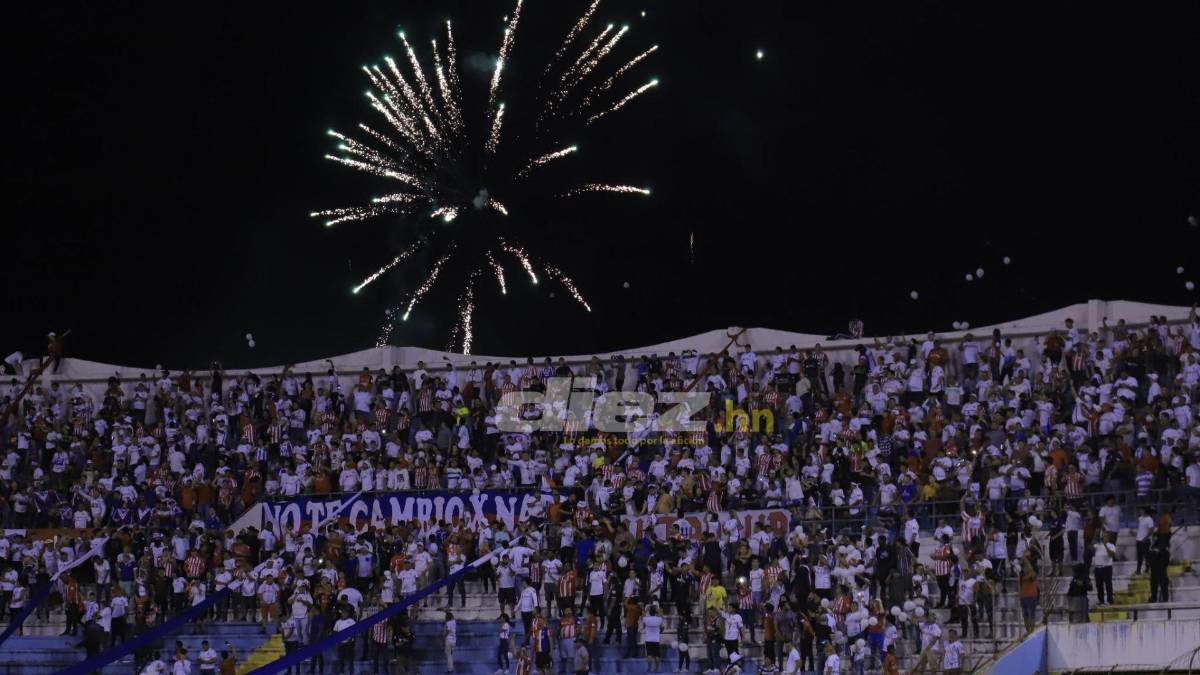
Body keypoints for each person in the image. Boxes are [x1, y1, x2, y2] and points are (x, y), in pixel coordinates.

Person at [1093, 535, 1117, 607]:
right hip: (1097, 568)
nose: (1104, 538)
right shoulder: (1097, 545)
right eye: (1103, 536)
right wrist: (1095, 539)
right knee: (1099, 585)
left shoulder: (1111, 545)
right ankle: (1101, 600)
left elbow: (1111, 555)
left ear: (1108, 538)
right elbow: (1090, 549)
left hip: (1107, 568)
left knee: (1108, 585)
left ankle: (1110, 600)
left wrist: (1105, 545)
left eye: (1106, 536)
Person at [641, 605, 664, 672]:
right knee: (657, 655)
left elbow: (642, 615)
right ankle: (657, 669)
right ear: (655, 612)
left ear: (649, 612)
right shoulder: (659, 619)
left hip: (648, 639)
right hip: (656, 639)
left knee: (649, 654)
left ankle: (649, 668)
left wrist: (646, 610)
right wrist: (657, 609)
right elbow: (662, 626)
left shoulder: (646, 619)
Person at [444, 610, 458, 674]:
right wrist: (444, 611)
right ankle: (451, 667)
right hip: (454, 641)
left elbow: (447, 632)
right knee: (450, 655)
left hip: (448, 641)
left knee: (448, 656)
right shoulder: (454, 622)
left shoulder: (448, 623)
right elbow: (451, 615)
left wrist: (443, 638)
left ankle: (450, 669)